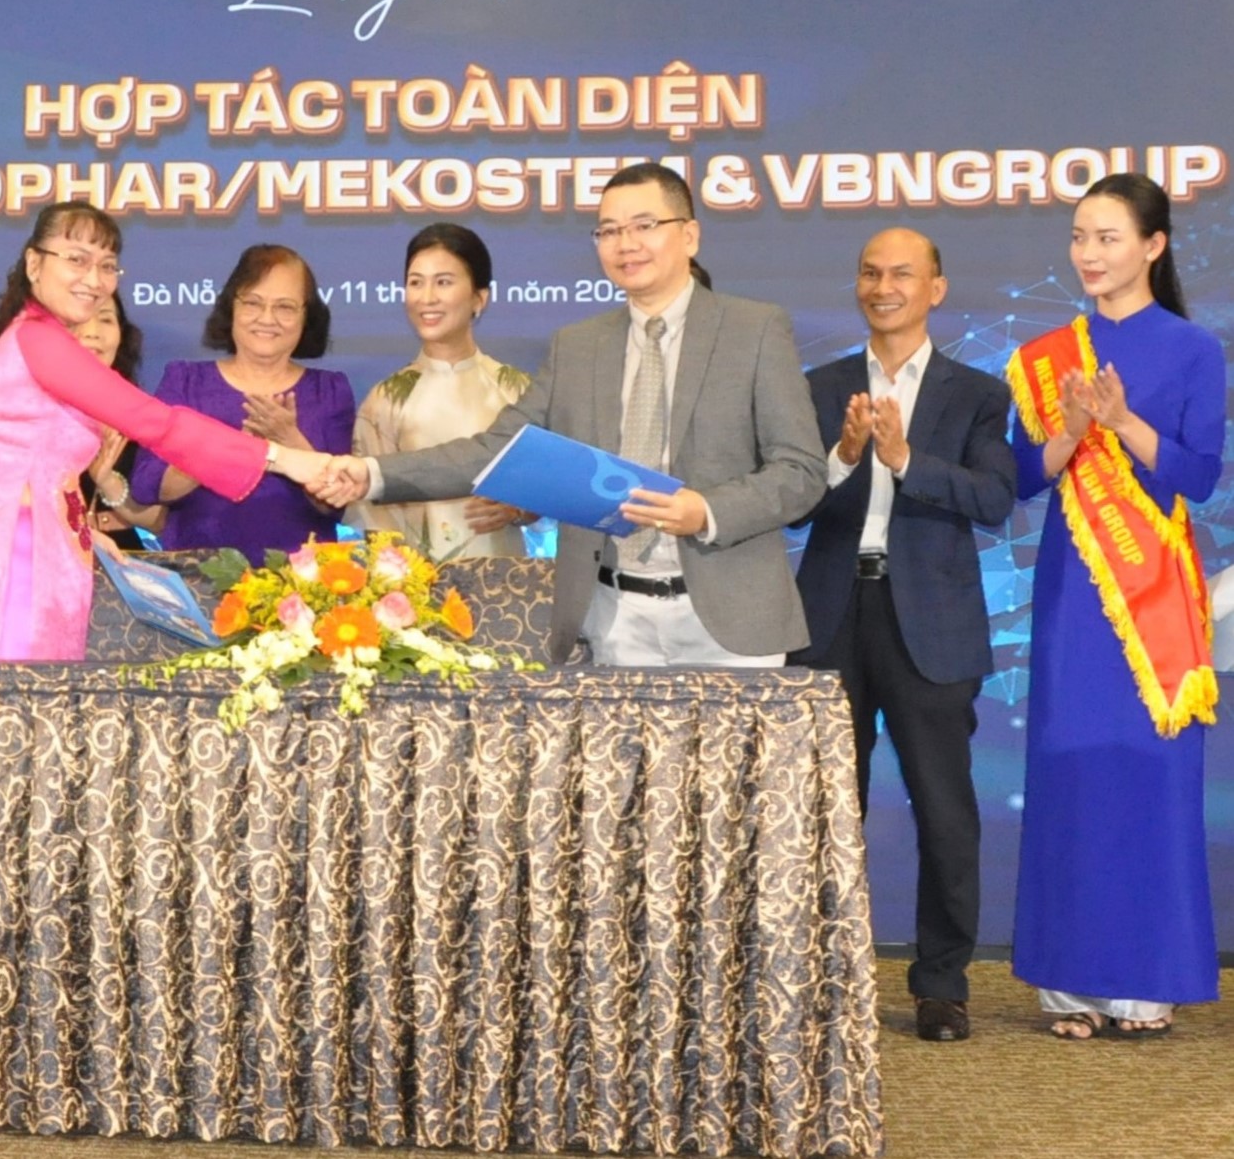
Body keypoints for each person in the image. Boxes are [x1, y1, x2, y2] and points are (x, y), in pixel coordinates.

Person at [318, 162, 824, 666]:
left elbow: (801, 471)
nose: (625, 244)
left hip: (729, 618)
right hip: (614, 616)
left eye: (644, 225)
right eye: (608, 231)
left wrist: (707, 512)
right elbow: (495, 451)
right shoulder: (577, 346)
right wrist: (371, 473)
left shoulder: (754, 330)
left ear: (689, 236)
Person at [1007, 173, 1223, 1040]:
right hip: (1072, 591)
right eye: (1078, 238)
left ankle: (1144, 982)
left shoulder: (1192, 349)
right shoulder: (1045, 353)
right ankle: (1069, 985)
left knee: (1147, 776)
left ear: (1153, 246)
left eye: (1106, 237)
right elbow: (1023, 479)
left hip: (1154, 593)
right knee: (1071, 773)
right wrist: (1066, 433)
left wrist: (1125, 423)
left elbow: (1198, 477)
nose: (1089, 255)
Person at [789, 228, 1016, 1042]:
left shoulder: (977, 394)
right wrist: (845, 455)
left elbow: (995, 497)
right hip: (828, 617)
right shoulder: (817, 386)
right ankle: (821, 977)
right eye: (870, 272)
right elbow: (785, 502)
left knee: (946, 811)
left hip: (933, 621)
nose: (883, 286)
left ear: (937, 289)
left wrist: (905, 454)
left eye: (902, 274)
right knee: (821, 811)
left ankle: (942, 982)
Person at [0, 203, 332, 662]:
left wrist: (73, 527)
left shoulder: (40, 337)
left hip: (45, 549)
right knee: (15, 710)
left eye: (107, 266)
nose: (95, 279)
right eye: (77, 259)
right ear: (34, 263)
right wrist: (283, 458)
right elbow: (154, 422)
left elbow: (10, 475)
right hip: (23, 559)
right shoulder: (37, 339)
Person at [130, 244, 355, 562]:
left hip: (300, 591)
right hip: (199, 580)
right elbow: (146, 486)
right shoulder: (186, 381)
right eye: (253, 303)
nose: (267, 319)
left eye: (285, 307)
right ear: (231, 308)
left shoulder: (329, 391)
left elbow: (335, 506)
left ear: (307, 317)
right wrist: (223, 452)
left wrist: (291, 442)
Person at [347, 223, 537, 561]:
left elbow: (551, 489)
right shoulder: (385, 399)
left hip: (506, 588)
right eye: (415, 282)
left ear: (479, 298)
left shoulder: (517, 390)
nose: (426, 297)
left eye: (443, 282)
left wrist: (520, 509)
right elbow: (368, 508)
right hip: (416, 595)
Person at [73, 293, 166, 550]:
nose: (93, 332)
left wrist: (108, 482)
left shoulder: (140, 414)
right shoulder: (27, 410)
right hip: (46, 563)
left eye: (105, 319)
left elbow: (161, 522)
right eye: (81, 319)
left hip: (121, 563)